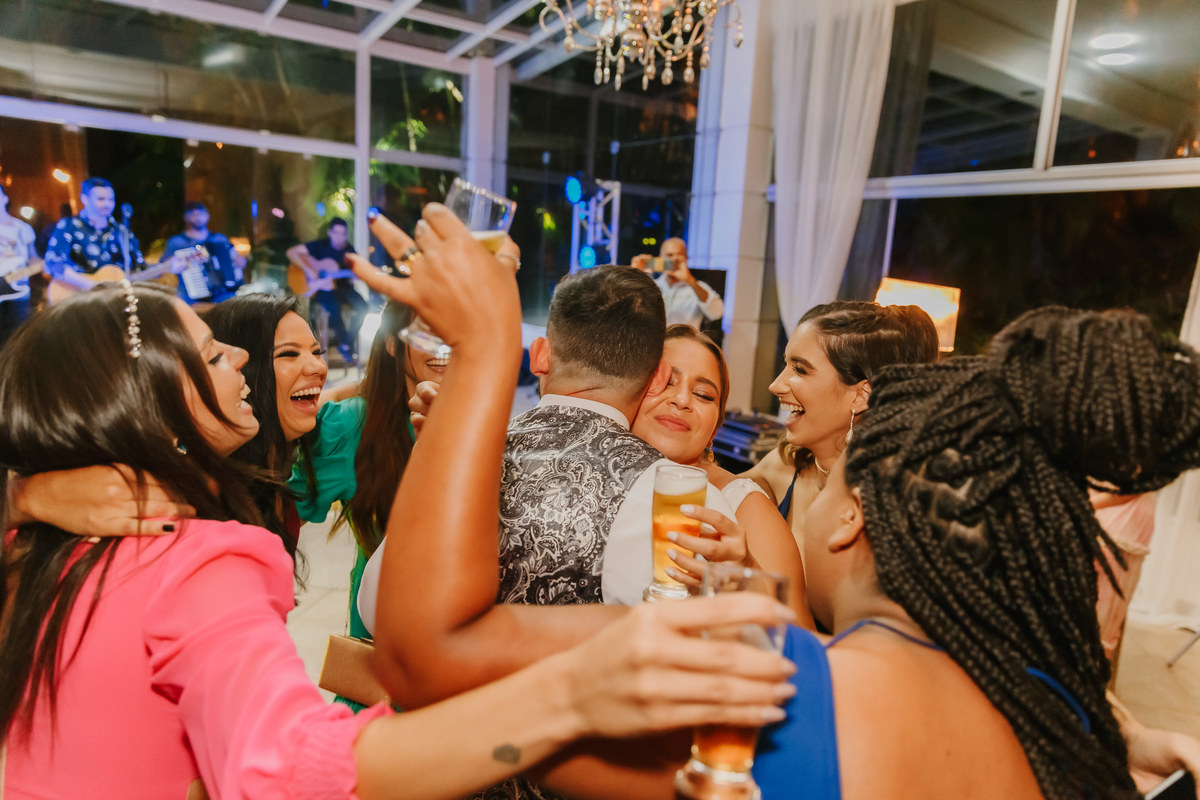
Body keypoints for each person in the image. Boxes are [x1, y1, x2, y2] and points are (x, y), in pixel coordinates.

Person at [0, 282, 796, 799]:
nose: (239, 352)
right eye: (212, 351)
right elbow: (290, 765)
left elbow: (383, 614)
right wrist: (573, 692)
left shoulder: (47, 542)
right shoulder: (194, 556)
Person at [751, 306, 1200, 799]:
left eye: (832, 484)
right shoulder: (1050, 711)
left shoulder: (770, 684)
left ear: (853, 517)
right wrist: (1130, 738)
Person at [631, 324, 811, 623]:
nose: (681, 400)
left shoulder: (745, 509)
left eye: (703, 395)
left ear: (715, 428)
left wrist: (746, 578)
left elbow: (799, 639)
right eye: (665, 382)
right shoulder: (585, 475)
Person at [742, 301, 940, 556]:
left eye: (800, 369)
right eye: (786, 365)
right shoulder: (784, 464)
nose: (775, 385)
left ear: (860, 396)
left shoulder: (891, 509)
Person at [205, 292, 329, 547]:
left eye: (317, 352)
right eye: (289, 354)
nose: (318, 367)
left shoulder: (274, 480)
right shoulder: (211, 502)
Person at [43, 177, 149, 293]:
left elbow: (140, 265)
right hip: (80, 297)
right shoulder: (69, 226)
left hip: (117, 295)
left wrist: (161, 268)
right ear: (85, 199)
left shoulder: (121, 230)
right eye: (101, 199)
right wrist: (91, 285)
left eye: (111, 199)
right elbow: (53, 262)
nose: (107, 204)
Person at [287, 217, 367, 363]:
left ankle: (345, 344)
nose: (340, 237)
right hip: (323, 290)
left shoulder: (349, 251)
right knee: (333, 307)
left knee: (363, 307)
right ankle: (345, 346)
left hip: (344, 288)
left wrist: (356, 276)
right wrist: (309, 270)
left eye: (343, 234)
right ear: (330, 233)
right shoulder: (319, 245)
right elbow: (291, 252)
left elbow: (356, 273)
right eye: (337, 233)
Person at [164, 201, 246, 307]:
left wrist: (240, 261)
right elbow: (165, 265)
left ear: (207, 216)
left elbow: (236, 258)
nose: (198, 217)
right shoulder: (177, 242)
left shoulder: (219, 238)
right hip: (190, 293)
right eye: (193, 214)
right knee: (180, 303)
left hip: (223, 292)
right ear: (186, 217)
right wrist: (177, 262)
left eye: (201, 214)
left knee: (236, 305)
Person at [631, 237, 723, 329]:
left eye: (679, 255)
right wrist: (634, 275)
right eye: (669, 255)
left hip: (685, 338)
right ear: (660, 257)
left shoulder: (698, 287)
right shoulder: (651, 286)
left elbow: (716, 313)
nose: (674, 259)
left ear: (686, 258)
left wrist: (689, 280)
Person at [0, 183, 41, 347]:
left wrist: (45, 265)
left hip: (18, 294)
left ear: (5, 198)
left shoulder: (23, 229)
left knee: (17, 343)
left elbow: (33, 259)